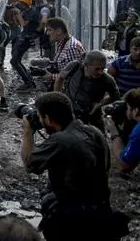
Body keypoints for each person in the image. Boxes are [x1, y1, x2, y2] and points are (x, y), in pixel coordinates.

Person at [21, 92, 127, 241]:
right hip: (102, 210)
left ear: (49, 119)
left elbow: (29, 163)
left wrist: (28, 131)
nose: (38, 120)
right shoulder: (94, 131)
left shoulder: (60, 141)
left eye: (40, 116)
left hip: (73, 220)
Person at [54, 50, 120, 130]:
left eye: (103, 68)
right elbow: (60, 78)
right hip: (70, 114)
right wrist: (58, 99)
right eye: (97, 69)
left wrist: (99, 104)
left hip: (91, 118)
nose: (100, 72)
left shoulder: (106, 79)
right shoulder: (74, 67)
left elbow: (115, 96)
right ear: (86, 65)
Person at [11, 0, 42, 91]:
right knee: (16, 60)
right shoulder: (27, 11)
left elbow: (23, 24)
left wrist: (18, 14)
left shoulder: (31, 12)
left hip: (28, 38)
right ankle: (29, 81)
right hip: (25, 37)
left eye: (20, 4)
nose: (18, 5)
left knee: (15, 61)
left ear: (25, 4)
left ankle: (29, 83)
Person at [105, 88, 140, 172]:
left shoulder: (138, 131)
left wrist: (114, 133)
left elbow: (126, 164)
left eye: (127, 107)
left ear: (136, 110)